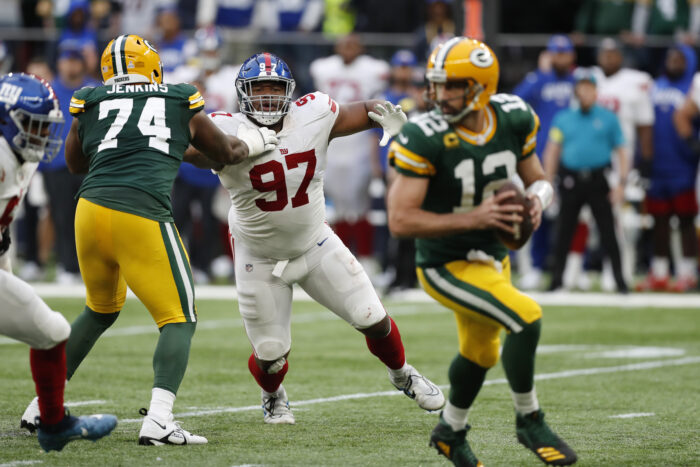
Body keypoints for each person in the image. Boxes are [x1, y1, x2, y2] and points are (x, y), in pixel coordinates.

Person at [20, 34, 279, 445]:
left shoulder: (91, 97)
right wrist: (259, 141)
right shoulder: (178, 95)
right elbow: (227, 151)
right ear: (152, 65)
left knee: (100, 310)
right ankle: (159, 420)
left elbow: (74, 162)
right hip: (140, 211)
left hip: (88, 211)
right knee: (180, 317)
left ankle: (40, 406)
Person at [186, 52, 445, 425]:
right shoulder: (224, 127)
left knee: (372, 316)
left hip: (315, 243)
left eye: (275, 89)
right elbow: (191, 151)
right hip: (257, 256)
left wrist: (384, 116)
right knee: (271, 353)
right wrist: (237, 147)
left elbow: (366, 109)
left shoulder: (314, 113)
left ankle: (403, 373)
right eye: (259, 90)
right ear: (243, 94)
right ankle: (273, 395)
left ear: (290, 92)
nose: (268, 98)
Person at [386, 37, 577, 466]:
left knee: (482, 352)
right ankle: (530, 420)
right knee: (526, 318)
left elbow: (539, 179)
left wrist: (536, 203)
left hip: (493, 255)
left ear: (481, 86)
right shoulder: (424, 134)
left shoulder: (512, 117)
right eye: (436, 85)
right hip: (445, 262)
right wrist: (478, 218)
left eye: (452, 85)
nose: (440, 95)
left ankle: (450, 432)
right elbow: (400, 220)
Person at [0, 72, 117, 452]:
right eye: (32, 125)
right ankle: (53, 423)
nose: (41, 136)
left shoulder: (18, 153)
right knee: (52, 330)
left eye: (44, 127)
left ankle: (52, 423)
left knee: (50, 331)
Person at [544, 68, 629, 294]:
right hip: (571, 180)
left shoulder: (608, 118)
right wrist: (548, 182)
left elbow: (622, 151)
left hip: (598, 179)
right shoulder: (564, 118)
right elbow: (552, 151)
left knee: (608, 232)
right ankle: (556, 281)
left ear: (595, 90)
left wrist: (621, 183)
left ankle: (621, 281)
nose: (585, 92)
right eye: (581, 87)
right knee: (563, 231)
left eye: (589, 87)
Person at [310, 34, 390, 271]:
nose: (348, 49)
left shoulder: (374, 69)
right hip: (333, 143)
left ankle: (365, 256)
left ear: (362, 47)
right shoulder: (323, 67)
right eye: (344, 44)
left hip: (360, 143)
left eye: (353, 44)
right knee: (339, 207)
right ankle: (342, 258)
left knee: (361, 205)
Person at [513, 34, 576, 290]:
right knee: (537, 211)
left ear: (571, 56)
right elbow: (513, 105)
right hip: (539, 160)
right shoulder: (538, 80)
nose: (560, 57)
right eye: (555, 52)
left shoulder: (580, 80)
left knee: (573, 217)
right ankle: (536, 267)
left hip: (573, 159)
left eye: (564, 53)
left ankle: (573, 267)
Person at [41, 41, 100, 284]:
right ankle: (67, 266)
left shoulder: (96, 90)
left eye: (75, 60)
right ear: (59, 63)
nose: (71, 65)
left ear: (82, 64)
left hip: (89, 165)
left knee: (92, 219)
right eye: (67, 60)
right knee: (62, 216)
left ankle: (93, 267)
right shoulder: (48, 91)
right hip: (55, 165)